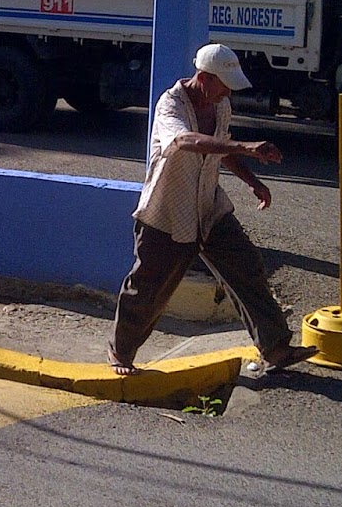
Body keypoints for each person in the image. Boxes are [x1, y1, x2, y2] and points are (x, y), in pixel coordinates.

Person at [108, 43, 319, 377]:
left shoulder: (221, 105)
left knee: (246, 268)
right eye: (223, 84)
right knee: (148, 286)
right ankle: (120, 354)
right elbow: (185, 142)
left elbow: (220, 147)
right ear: (204, 78)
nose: (227, 93)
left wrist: (253, 181)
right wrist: (248, 147)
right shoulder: (171, 104)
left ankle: (276, 348)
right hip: (169, 210)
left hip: (209, 205)